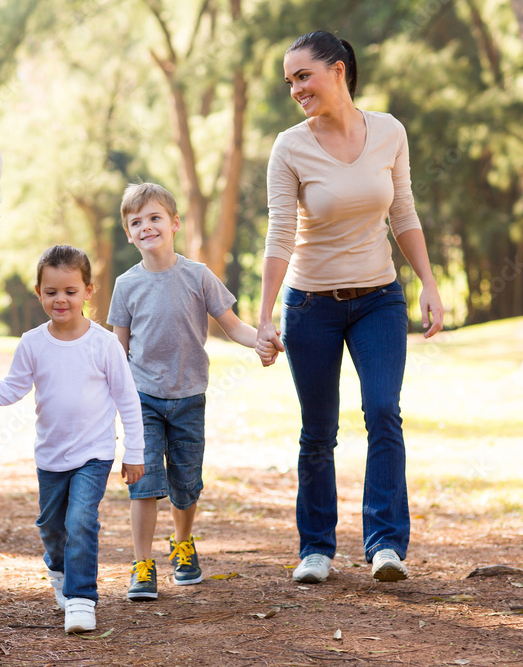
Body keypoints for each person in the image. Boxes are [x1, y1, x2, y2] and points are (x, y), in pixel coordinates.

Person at [258, 31, 445, 585]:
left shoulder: (389, 132)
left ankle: (386, 543)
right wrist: (265, 317)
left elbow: (404, 215)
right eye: (289, 80)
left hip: (379, 299)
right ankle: (316, 548)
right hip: (310, 304)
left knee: (383, 409)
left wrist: (428, 282)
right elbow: (279, 236)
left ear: (338, 71)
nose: (295, 88)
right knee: (318, 429)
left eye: (303, 75)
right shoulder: (289, 146)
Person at [0, 245, 145, 634]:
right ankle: (59, 569)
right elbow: (12, 388)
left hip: (94, 453)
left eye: (71, 291)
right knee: (51, 526)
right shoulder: (33, 343)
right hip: (51, 456)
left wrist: (134, 452)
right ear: (39, 293)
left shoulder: (104, 344)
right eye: (52, 291)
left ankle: (81, 598)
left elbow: (128, 400)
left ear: (88, 292)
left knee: (81, 520)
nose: (61, 299)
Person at [107, 182, 270, 601]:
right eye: (136, 222)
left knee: (186, 482)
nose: (146, 227)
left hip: (189, 397)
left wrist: (263, 340)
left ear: (175, 223)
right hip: (142, 398)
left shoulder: (198, 276)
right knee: (143, 484)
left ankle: (182, 544)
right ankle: (142, 563)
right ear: (128, 233)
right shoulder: (126, 285)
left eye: (155, 217)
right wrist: (108, 402)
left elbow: (233, 326)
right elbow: (117, 349)